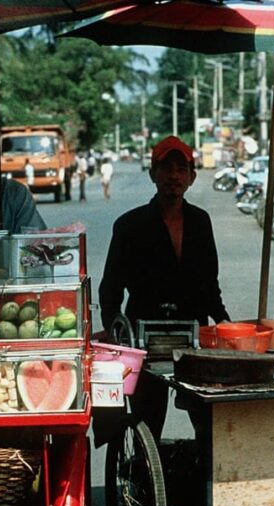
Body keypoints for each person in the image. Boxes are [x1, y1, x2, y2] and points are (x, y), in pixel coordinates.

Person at [99, 135, 230, 441]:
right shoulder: (129, 225)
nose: (174, 175)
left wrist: (224, 322)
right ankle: (144, 481)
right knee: (149, 423)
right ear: (153, 174)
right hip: (143, 338)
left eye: (181, 169)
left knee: (207, 421)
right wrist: (116, 337)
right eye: (166, 168)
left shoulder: (200, 221)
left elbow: (209, 284)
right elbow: (111, 290)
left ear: (192, 177)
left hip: (192, 335)